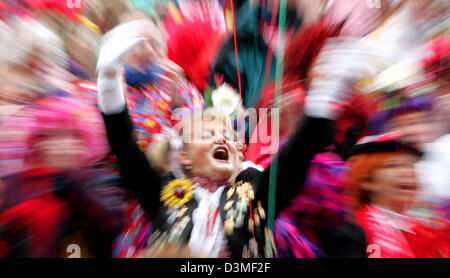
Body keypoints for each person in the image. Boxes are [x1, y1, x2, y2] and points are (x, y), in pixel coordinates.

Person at [96, 20, 356, 258]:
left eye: (230, 137)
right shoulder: (166, 192)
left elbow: (295, 159)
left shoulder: (252, 192)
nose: (223, 141)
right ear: (183, 154)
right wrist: (108, 79)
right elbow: (125, 150)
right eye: (208, 134)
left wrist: (323, 98)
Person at [0, 96, 127, 257]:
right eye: (55, 136)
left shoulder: (96, 181)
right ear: (38, 143)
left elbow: (112, 225)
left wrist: (67, 183)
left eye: (74, 136)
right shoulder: (17, 184)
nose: (65, 143)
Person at [345, 132, 450, 258]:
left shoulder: (427, 230)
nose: (407, 172)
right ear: (367, 181)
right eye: (393, 165)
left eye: (410, 165)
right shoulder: (355, 231)